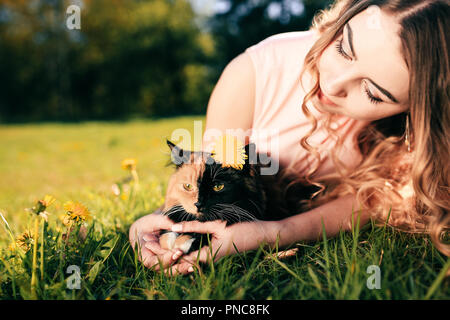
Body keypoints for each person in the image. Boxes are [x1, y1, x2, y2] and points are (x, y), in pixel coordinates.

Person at [129, 0, 449, 275]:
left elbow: (379, 201)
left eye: (372, 92)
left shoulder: (412, 136)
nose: (335, 82)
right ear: (346, 16)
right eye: (342, 48)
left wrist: (280, 232)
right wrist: (159, 222)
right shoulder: (254, 74)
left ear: (416, 110)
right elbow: (210, 182)